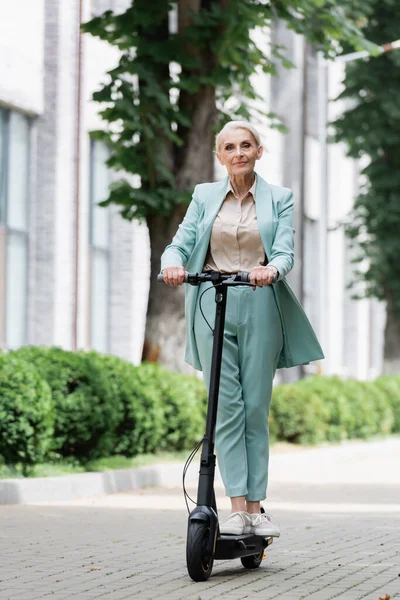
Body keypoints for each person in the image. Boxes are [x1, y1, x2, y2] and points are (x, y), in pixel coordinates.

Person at [160, 120, 324, 537]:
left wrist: (270, 269)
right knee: (225, 408)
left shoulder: (279, 198)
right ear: (220, 156)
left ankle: (257, 509)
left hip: (259, 303)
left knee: (254, 407)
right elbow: (181, 242)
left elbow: (285, 251)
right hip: (211, 302)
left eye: (246, 145)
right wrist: (172, 264)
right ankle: (236, 509)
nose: (239, 153)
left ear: (258, 151)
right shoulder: (204, 196)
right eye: (230, 147)